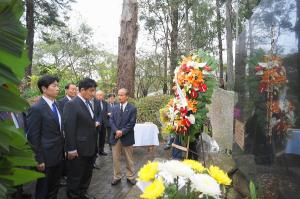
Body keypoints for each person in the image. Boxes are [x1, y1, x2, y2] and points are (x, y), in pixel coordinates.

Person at [26, 75, 64, 199]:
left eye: (58, 85)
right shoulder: (36, 109)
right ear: (44, 88)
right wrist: (38, 159)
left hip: (58, 155)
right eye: (54, 86)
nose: (58, 88)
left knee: (54, 188)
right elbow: (33, 136)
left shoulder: (57, 105)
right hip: (45, 158)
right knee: (43, 190)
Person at [63, 78, 97, 199]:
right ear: (82, 90)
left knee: (86, 174)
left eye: (94, 91)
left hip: (90, 148)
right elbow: (69, 128)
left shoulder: (88, 104)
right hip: (78, 149)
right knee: (75, 176)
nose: (93, 94)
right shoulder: (71, 104)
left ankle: (82, 193)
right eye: (91, 91)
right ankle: (73, 195)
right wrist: (71, 149)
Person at [110, 88, 137, 186]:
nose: (119, 97)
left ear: (127, 96)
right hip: (115, 137)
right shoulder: (114, 108)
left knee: (129, 159)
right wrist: (116, 131)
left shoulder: (132, 108)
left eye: (121, 95)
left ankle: (130, 176)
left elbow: (132, 123)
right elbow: (111, 121)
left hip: (127, 137)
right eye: (118, 95)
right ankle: (117, 176)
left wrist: (122, 131)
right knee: (115, 159)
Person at [95, 90, 109, 156]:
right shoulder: (93, 102)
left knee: (102, 138)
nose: (101, 96)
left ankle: (101, 150)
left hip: (104, 123)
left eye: (102, 95)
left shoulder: (105, 103)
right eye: (99, 95)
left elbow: (105, 112)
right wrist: (96, 121)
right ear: (96, 95)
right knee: (95, 138)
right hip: (96, 124)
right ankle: (95, 152)